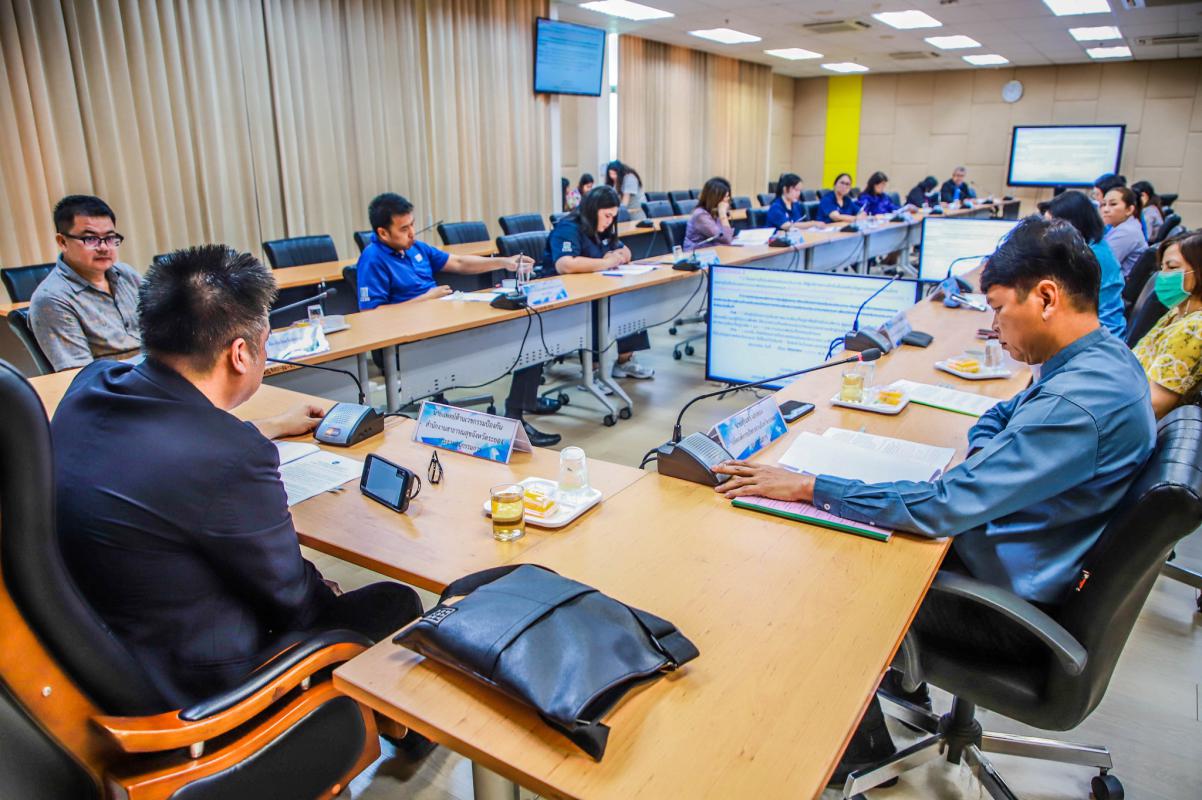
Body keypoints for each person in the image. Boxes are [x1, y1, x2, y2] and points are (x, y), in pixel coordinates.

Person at [712, 216, 1156, 783]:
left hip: (1005, 603)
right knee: (859, 513)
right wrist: (985, 463)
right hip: (1020, 555)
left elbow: (941, 507)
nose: (993, 327)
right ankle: (905, 685)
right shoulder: (1100, 361)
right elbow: (997, 417)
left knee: (826, 558)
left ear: (1046, 297)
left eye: (999, 309)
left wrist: (808, 485)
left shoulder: (1076, 405)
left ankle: (858, 748)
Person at [52, 245, 426, 708]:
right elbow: (292, 600)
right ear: (241, 353)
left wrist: (269, 426)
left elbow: (167, 445)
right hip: (195, 692)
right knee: (394, 603)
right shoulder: (231, 457)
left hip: (102, 649)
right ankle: (394, 729)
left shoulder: (91, 383)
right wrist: (320, 591)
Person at [354, 193, 559, 446]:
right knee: (516, 337)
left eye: (412, 225)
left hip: (440, 325)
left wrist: (505, 262)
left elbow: (459, 262)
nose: (412, 233)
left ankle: (516, 414)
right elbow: (371, 315)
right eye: (404, 228)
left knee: (526, 329)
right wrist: (425, 298)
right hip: (408, 343)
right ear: (383, 233)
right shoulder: (373, 259)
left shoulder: (414, 248)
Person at [542, 185, 655, 381]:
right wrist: (606, 262)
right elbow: (565, 264)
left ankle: (625, 361)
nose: (610, 221)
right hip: (562, 293)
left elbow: (626, 252)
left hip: (595, 286)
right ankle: (592, 371)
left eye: (613, 217)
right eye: (607, 216)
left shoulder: (603, 228)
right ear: (594, 210)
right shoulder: (568, 227)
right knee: (596, 308)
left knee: (629, 299)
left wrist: (616, 255)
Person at [29, 195, 143, 372]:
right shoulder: (51, 299)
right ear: (63, 242)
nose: (104, 247)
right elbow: (81, 375)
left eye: (110, 238)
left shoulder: (127, 275)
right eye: (91, 239)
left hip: (158, 374)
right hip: (114, 384)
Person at [1133, 233, 1202, 418]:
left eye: (1172, 267)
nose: (1162, 276)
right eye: (1161, 268)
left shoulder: (1194, 328)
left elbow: (1154, 405)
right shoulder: (1178, 311)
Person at [1043, 190, 1126, 339]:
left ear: (1072, 224)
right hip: (1100, 330)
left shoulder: (1092, 256)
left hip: (1101, 336)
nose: (1046, 233)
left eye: (1051, 225)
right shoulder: (1092, 245)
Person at [1100, 186, 1148, 279]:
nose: (1105, 209)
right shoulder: (1121, 226)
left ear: (1129, 210)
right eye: (1103, 204)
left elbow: (1101, 264)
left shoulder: (1127, 232)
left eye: (1113, 204)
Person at [684, 177, 735, 250]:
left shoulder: (714, 211)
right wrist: (723, 214)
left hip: (714, 250)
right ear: (715, 198)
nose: (728, 199)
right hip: (697, 253)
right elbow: (726, 239)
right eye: (726, 196)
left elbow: (726, 238)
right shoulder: (701, 215)